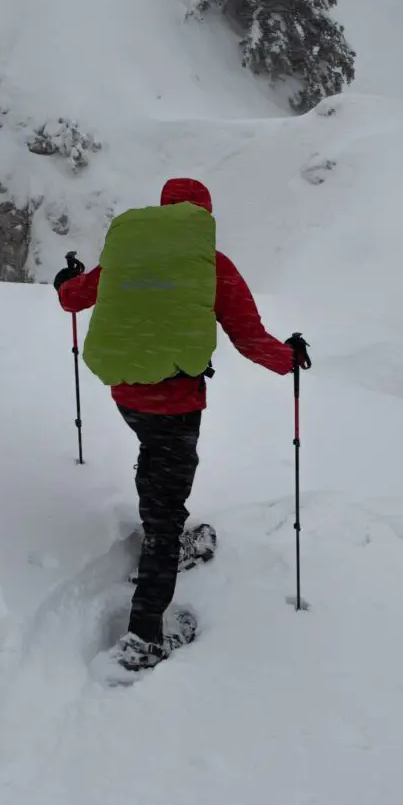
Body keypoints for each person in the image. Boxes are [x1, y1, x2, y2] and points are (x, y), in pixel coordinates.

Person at [54, 176, 308, 674]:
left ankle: (161, 519)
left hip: (127, 394)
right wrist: (290, 359)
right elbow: (251, 339)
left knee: (155, 461)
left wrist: (67, 280)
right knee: (166, 502)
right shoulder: (213, 268)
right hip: (176, 403)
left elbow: (72, 300)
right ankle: (143, 636)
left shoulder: (126, 262)